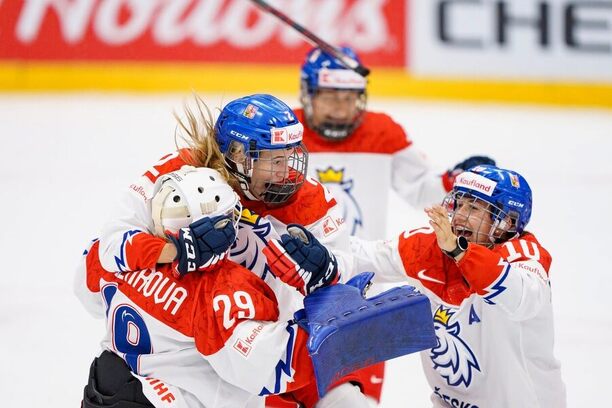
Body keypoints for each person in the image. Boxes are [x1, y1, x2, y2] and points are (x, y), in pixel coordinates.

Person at [92, 94, 378, 407]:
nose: (287, 173)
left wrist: (326, 273)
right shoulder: (178, 178)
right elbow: (109, 247)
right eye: (275, 160)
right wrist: (177, 250)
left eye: (290, 156)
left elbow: (343, 272)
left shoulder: (309, 201)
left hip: (271, 342)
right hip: (209, 354)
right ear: (238, 152)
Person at [74, 166, 343, 408]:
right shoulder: (219, 290)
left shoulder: (118, 254)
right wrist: (329, 306)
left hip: (105, 389)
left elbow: (86, 295)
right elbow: (275, 368)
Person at [346, 165, 567, 407]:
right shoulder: (429, 248)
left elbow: (523, 298)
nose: (460, 215)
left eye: (473, 208)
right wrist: (315, 249)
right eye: (459, 204)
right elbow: (360, 257)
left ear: (507, 221)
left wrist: (461, 252)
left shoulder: (523, 256)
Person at [296, 46, 495, 239]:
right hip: (291, 266)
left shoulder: (382, 132)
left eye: (348, 98)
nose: (340, 110)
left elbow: (421, 190)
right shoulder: (288, 131)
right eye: (330, 97)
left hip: (363, 267)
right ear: (308, 94)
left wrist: (454, 181)